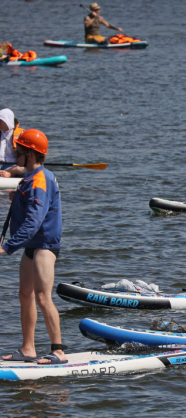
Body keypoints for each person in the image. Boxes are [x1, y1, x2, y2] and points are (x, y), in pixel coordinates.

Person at [0, 130, 66, 365]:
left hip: (44, 246)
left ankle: (58, 351)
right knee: (24, 294)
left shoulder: (40, 180)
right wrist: (16, 198)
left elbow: (34, 221)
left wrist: (7, 247)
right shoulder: (31, 177)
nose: (13, 153)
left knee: (42, 297)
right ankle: (28, 349)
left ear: (29, 154)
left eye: (18, 151)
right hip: (31, 244)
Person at [0, 108, 26, 177]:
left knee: (20, 169)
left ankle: (8, 173)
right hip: (1, 164)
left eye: (1, 121)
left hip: (14, 165)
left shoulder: (21, 134)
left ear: (7, 120)